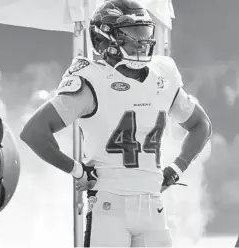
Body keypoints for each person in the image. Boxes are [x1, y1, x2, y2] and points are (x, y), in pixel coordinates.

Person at [20, 0, 212, 247]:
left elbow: (201, 124)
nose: (141, 41)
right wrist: (76, 169)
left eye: (144, 32)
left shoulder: (162, 76)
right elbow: (33, 132)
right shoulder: (93, 79)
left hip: (153, 206)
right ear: (102, 40)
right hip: (109, 206)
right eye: (132, 34)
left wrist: (176, 168)